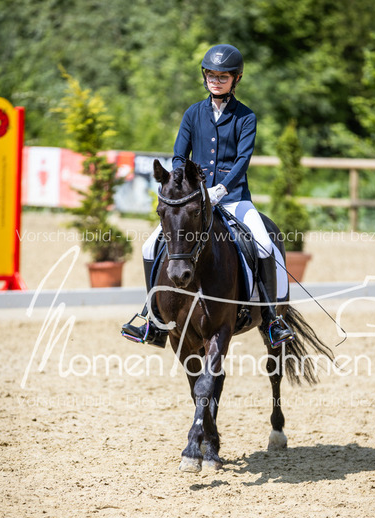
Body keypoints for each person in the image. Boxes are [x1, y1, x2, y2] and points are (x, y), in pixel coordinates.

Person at [122, 44, 293, 348]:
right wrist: (183, 185)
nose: (216, 81)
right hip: (195, 200)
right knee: (150, 246)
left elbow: (242, 160)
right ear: (205, 77)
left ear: (236, 79)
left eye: (222, 77)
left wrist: (222, 188)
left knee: (265, 244)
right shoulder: (193, 113)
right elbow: (179, 156)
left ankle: (271, 321)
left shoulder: (246, 117)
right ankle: (153, 320)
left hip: (234, 197)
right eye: (211, 75)